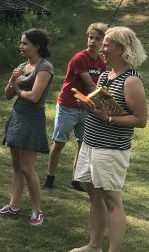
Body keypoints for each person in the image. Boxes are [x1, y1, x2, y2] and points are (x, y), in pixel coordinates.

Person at [69, 26, 148, 252]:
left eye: (106, 45)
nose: (101, 49)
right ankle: (94, 245)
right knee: (94, 195)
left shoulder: (131, 81)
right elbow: (101, 106)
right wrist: (90, 105)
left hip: (111, 149)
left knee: (112, 200)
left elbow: (141, 120)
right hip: (91, 143)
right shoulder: (106, 75)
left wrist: (109, 118)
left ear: (122, 49)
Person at [0, 29, 54, 226]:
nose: (21, 46)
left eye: (25, 43)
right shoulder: (22, 66)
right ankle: (13, 206)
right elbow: (7, 95)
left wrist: (18, 89)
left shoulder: (45, 67)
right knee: (17, 166)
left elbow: (34, 97)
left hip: (32, 117)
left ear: (37, 46)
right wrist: (13, 79)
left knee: (27, 167)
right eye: (21, 42)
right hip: (18, 115)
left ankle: (37, 210)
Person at [43, 23, 108, 191]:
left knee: (83, 144)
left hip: (86, 108)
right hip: (68, 106)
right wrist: (103, 104)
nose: (93, 41)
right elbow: (91, 85)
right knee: (59, 143)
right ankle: (49, 178)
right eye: (91, 37)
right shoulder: (79, 58)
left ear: (103, 42)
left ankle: (75, 180)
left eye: (97, 39)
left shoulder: (101, 62)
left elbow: (99, 86)